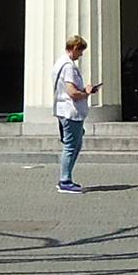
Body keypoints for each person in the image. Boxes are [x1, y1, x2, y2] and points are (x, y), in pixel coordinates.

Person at [51, 36, 98, 194]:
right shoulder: (69, 67)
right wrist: (87, 91)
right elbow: (72, 92)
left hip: (64, 109)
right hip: (71, 111)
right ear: (75, 48)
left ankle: (66, 179)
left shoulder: (59, 63)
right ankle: (65, 180)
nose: (81, 55)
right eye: (81, 51)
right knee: (71, 146)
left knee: (73, 144)